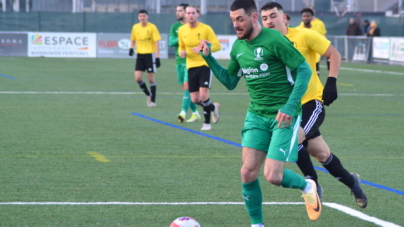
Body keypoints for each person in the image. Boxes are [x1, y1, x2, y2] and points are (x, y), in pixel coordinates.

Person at [195, 0, 322, 225]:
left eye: (240, 19)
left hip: (284, 115)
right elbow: (230, 81)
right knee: (247, 172)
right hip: (255, 115)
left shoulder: (275, 40)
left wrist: (290, 106)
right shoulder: (238, 47)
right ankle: (257, 224)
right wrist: (209, 58)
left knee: (273, 176)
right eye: (233, 20)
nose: (236, 25)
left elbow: (303, 70)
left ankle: (307, 185)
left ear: (254, 18)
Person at [260, 1, 368, 209]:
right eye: (264, 18)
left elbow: (334, 54)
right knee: (322, 155)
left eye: (273, 16)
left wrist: (332, 82)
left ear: (284, 18)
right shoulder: (266, 44)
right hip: (288, 108)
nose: (269, 21)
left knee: (294, 140)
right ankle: (353, 183)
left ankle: (312, 184)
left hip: (311, 103)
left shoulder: (303, 35)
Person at [178, 5, 221, 131]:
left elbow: (217, 46)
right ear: (185, 15)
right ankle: (213, 108)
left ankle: (207, 124)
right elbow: (181, 46)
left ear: (198, 14)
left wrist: (204, 48)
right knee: (195, 99)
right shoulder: (182, 30)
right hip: (191, 67)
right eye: (188, 13)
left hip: (205, 65)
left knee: (203, 95)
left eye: (193, 13)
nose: (191, 15)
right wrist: (181, 52)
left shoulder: (206, 29)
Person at [169, 3, 201, 123]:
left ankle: (183, 112)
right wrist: (182, 37)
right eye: (177, 11)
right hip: (179, 62)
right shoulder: (175, 27)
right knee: (187, 90)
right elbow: (171, 42)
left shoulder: (195, 28)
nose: (178, 13)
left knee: (188, 87)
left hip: (191, 62)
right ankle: (198, 112)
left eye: (180, 11)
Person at [129, 9, 161, 107]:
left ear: (147, 17)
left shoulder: (152, 27)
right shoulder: (135, 27)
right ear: (138, 17)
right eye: (140, 16)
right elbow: (133, 39)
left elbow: (156, 42)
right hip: (140, 55)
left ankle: (153, 101)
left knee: (150, 78)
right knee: (138, 78)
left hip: (150, 55)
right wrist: (131, 48)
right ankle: (148, 95)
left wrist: (157, 57)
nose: (142, 18)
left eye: (144, 16)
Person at [297, 7, 327, 76]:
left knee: (316, 78)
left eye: (308, 16)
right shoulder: (297, 29)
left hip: (315, 59)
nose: (306, 18)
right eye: (304, 16)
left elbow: (323, 40)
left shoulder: (317, 27)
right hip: (302, 59)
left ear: (312, 17)